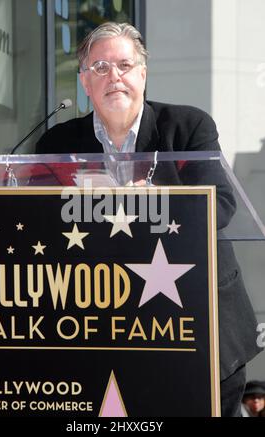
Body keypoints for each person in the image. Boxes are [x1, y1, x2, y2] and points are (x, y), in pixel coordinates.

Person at [36, 21, 262, 416]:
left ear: (143, 73)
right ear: (84, 82)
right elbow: (40, 222)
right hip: (102, 330)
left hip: (198, 325)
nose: (114, 77)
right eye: (100, 68)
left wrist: (154, 201)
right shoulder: (56, 144)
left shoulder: (188, 127)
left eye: (124, 65)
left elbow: (222, 205)